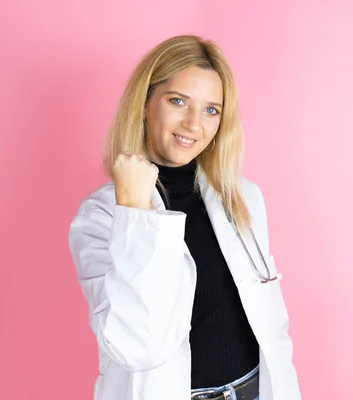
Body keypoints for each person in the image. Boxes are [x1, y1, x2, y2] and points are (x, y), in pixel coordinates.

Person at [68, 34, 301, 400]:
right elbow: (139, 345)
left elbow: (272, 323)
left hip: (256, 390)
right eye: (178, 101)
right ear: (145, 102)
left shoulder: (242, 197)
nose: (194, 124)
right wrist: (134, 209)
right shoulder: (103, 216)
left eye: (211, 109)